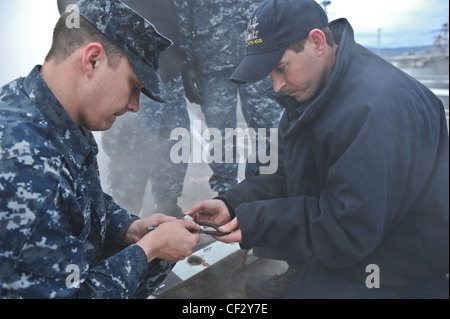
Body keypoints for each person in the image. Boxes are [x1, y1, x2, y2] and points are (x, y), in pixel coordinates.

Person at [185, 0, 449, 299]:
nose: (277, 85)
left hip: (395, 269)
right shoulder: (314, 90)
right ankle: (304, 275)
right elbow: (288, 174)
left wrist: (256, 221)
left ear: (317, 42)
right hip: (358, 248)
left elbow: (347, 228)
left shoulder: (374, 109)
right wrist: (234, 204)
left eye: (280, 68)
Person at [0, 0, 200, 299]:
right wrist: (149, 249)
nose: (134, 106)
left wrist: (130, 228)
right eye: (133, 86)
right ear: (92, 60)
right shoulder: (26, 163)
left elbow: (78, 202)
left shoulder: (47, 108)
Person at [174, 0, 282, 195]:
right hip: (211, 60)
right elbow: (183, 13)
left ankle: (269, 189)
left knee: (268, 127)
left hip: (259, 55)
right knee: (219, 133)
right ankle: (226, 194)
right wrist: (187, 64)